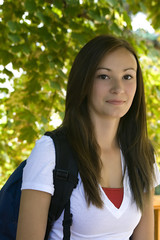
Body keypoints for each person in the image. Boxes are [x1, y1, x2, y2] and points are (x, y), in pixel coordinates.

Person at [16, 35, 160, 240]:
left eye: (127, 76)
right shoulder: (51, 152)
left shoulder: (143, 155)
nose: (118, 88)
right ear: (84, 81)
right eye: (103, 76)